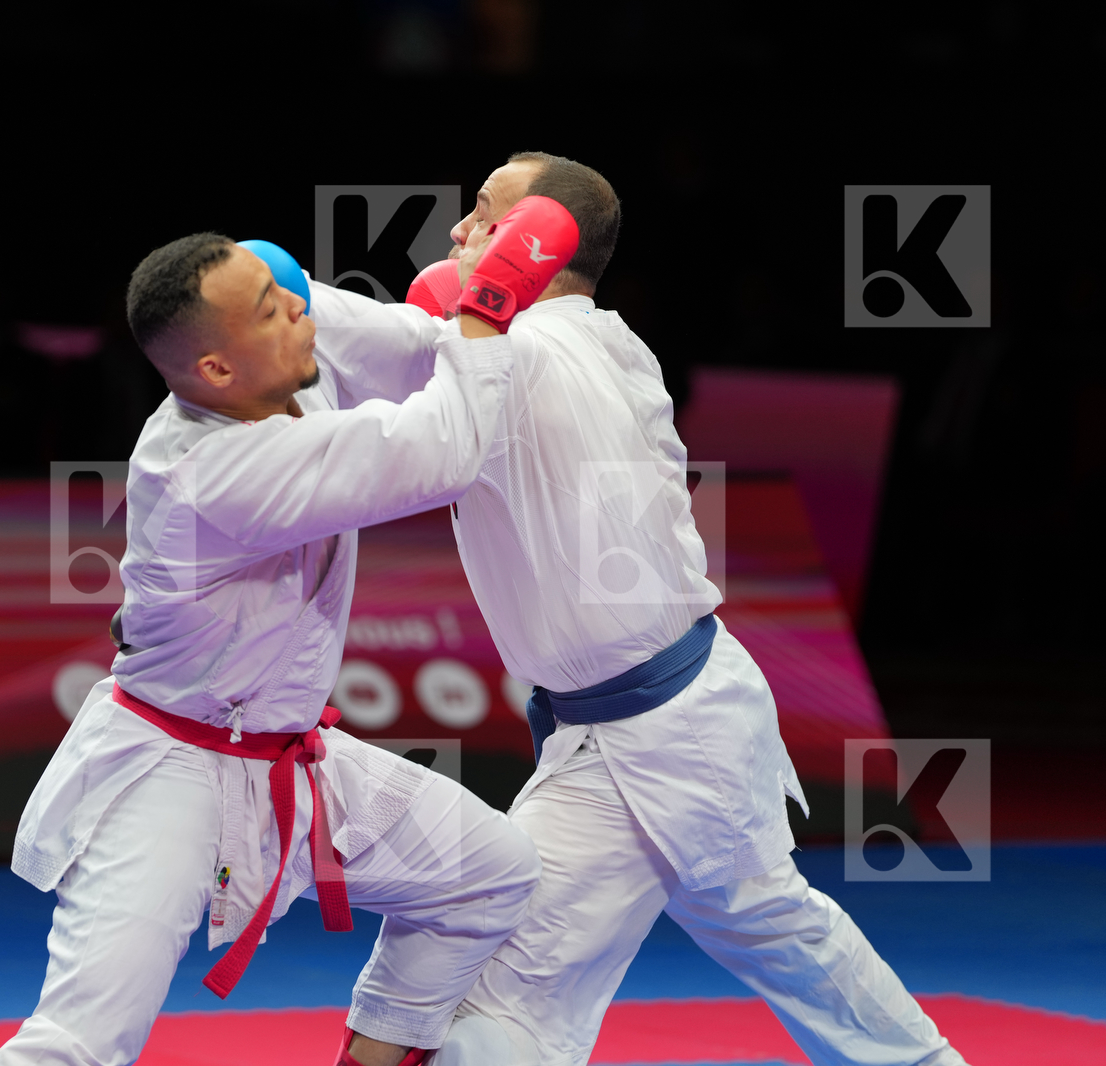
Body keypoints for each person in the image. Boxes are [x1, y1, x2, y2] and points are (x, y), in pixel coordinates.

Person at [383, 153, 968, 1066]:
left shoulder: (535, 350)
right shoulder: (586, 339)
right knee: (752, 924)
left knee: (532, 979)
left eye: (484, 215)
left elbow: (397, 359)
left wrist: (280, 302)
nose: (457, 232)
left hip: (660, 729)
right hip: (637, 728)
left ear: (539, 243)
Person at [0, 196, 581, 1066]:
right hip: (170, 776)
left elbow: (412, 340)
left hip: (290, 756)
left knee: (488, 873)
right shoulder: (215, 470)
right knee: (81, 1043)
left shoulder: (279, 354)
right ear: (218, 370)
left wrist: (460, 312)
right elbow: (444, 445)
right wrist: (487, 306)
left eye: (282, 290)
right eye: (271, 307)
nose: (299, 305)